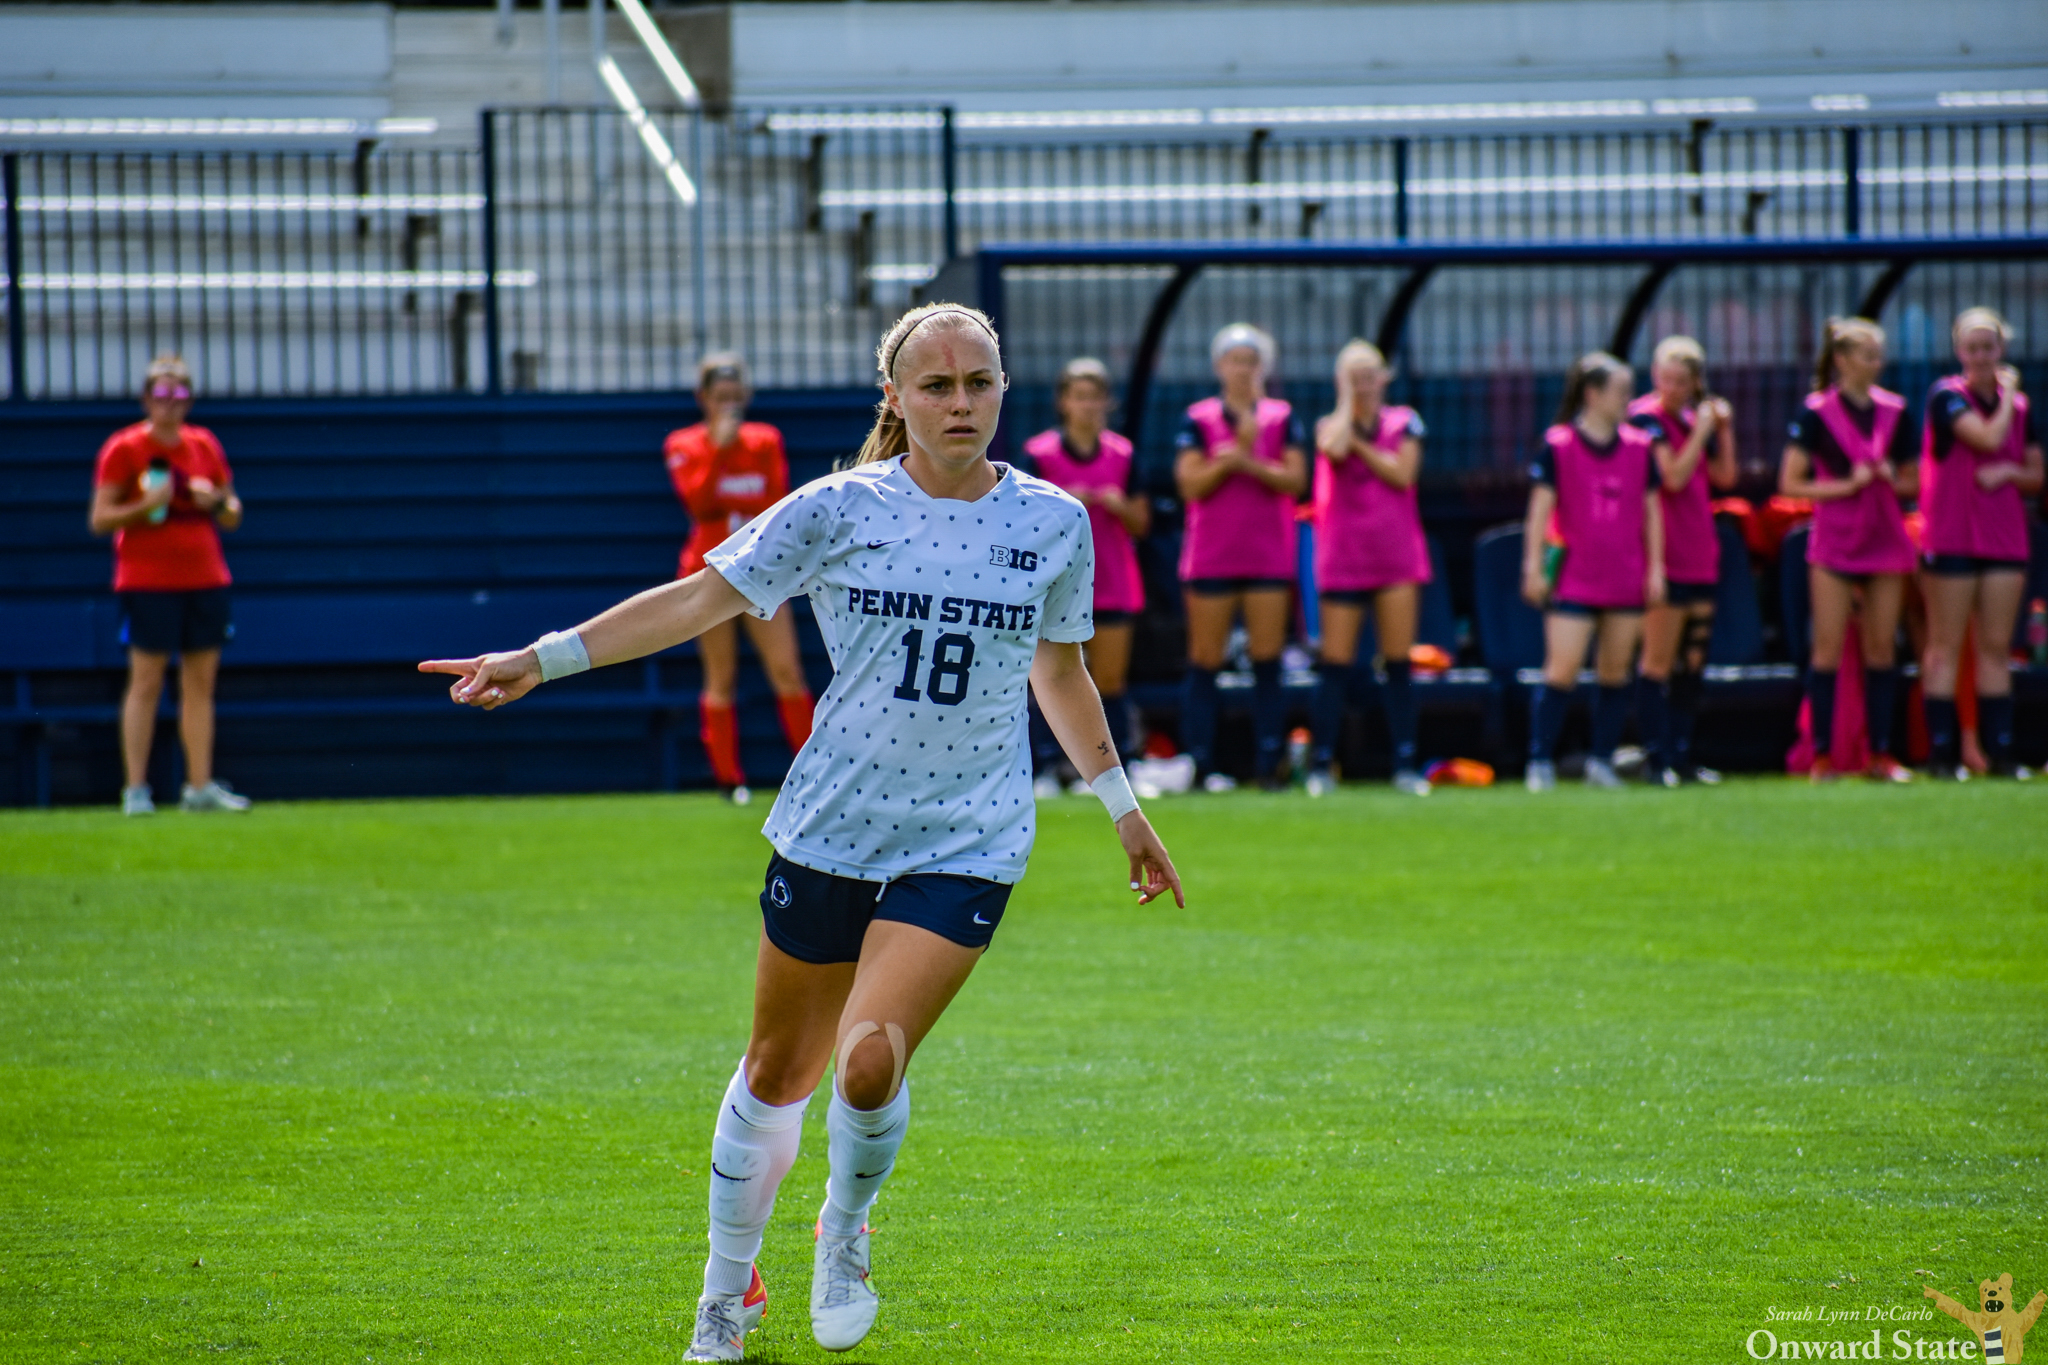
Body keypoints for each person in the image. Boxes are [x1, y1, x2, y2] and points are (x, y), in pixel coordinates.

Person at [420, 303, 1183, 1364]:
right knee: (777, 1072)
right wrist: (537, 660)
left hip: (968, 834)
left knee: (868, 1062)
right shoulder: (833, 509)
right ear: (896, 398)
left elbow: (1059, 671)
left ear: (1004, 389)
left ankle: (842, 1230)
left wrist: (1122, 809)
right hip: (830, 825)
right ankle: (722, 1295)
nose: (959, 403)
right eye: (935, 385)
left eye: (978, 382)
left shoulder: (1053, 521)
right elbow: (696, 602)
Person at [87, 354, 250, 816]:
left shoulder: (204, 445)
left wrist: (214, 499)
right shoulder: (123, 448)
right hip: (147, 582)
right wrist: (147, 504)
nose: (170, 404)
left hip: (205, 578)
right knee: (146, 682)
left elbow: (234, 513)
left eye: (179, 395)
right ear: (146, 399)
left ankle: (198, 786)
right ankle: (136, 790)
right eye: (161, 394)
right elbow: (100, 518)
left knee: (200, 684)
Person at [664, 354, 816, 803]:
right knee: (721, 675)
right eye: (720, 398)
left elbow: (774, 500)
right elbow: (698, 501)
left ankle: (812, 772)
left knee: (786, 669)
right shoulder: (685, 444)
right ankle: (729, 781)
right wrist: (719, 448)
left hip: (763, 569)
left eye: (736, 398)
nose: (730, 406)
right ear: (703, 399)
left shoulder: (766, 440)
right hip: (706, 571)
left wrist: (732, 484)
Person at [1780, 317, 1921, 784]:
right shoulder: (1815, 413)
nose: (1876, 363)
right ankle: (1822, 757)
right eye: (1867, 354)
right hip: (1836, 540)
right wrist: (1846, 485)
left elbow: (1915, 479)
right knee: (1827, 649)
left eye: (1879, 354)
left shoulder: (1896, 412)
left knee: (1883, 648)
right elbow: (1790, 483)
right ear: (1842, 360)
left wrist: (1887, 478)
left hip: (1884, 537)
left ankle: (1881, 754)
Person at [1174, 323, 1310, 791]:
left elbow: (1295, 480)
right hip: (1212, 554)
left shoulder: (1282, 417)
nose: (1243, 370)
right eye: (1235, 360)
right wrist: (1229, 460)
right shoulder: (1197, 419)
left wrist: (1246, 459)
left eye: (1252, 361)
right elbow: (1191, 484)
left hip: (1268, 554)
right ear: (1219, 367)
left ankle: (1269, 762)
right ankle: (1202, 763)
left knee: (1267, 658)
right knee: (1205, 659)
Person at [1521, 351, 1665, 792]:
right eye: (1621, 390)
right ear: (1593, 393)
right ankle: (1540, 760)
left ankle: (1601, 761)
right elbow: (1540, 510)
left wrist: (1656, 567)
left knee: (1616, 671)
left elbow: (1652, 511)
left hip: (1625, 573)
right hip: (1575, 575)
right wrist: (1533, 565)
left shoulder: (1640, 448)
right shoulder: (1560, 445)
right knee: (1560, 670)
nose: (1628, 398)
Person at [1919, 307, 2044, 781]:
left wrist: (2012, 473)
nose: (1980, 356)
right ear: (1959, 352)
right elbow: (1989, 438)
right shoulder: (1946, 398)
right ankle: (1943, 753)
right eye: (1971, 348)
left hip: (2003, 537)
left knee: (1995, 646)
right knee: (1945, 645)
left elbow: (2034, 473)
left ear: (2001, 349)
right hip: (1952, 534)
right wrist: (2011, 392)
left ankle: (2001, 753)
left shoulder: (2023, 411)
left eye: (1988, 347)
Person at [1307, 339, 1432, 798]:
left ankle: (1405, 761)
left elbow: (1402, 474)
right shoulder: (1330, 425)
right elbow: (1335, 448)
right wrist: (1347, 404)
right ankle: (1322, 763)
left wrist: (1362, 445)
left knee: (1398, 663)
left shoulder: (1405, 422)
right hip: (1344, 557)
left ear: (1385, 377)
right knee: (1336, 665)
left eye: (1370, 374)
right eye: (1353, 376)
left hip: (1395, 556)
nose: (1364, 384)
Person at [1020, 357, 1151, 782]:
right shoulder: (1040, 455)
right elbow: (1022, 522)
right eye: (1080, 396)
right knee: (1046, 677)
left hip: (1112, 583)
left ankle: (1117, 772)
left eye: (1096, 397)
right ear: (1064, 403)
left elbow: (1142, 523)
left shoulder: (1124, 455)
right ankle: (1045, 769)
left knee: (1110, 681)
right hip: (1055, 585)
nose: (1088, 405)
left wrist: (1120, 506)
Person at [1626, 336, 1739, 787]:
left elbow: (1724, 477)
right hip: (1664, 554)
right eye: (1664, 378)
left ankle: (1682, 754)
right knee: (1658, 660)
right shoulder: (1645, 419)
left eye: (1680, 380)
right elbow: (1671, 476)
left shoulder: (1695, 420)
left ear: (1696, 383)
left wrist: (1723, 430)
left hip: (1700, 551)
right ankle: (1656, 759)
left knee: (1692, 660)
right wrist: (1704, 432)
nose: (1670, 388)